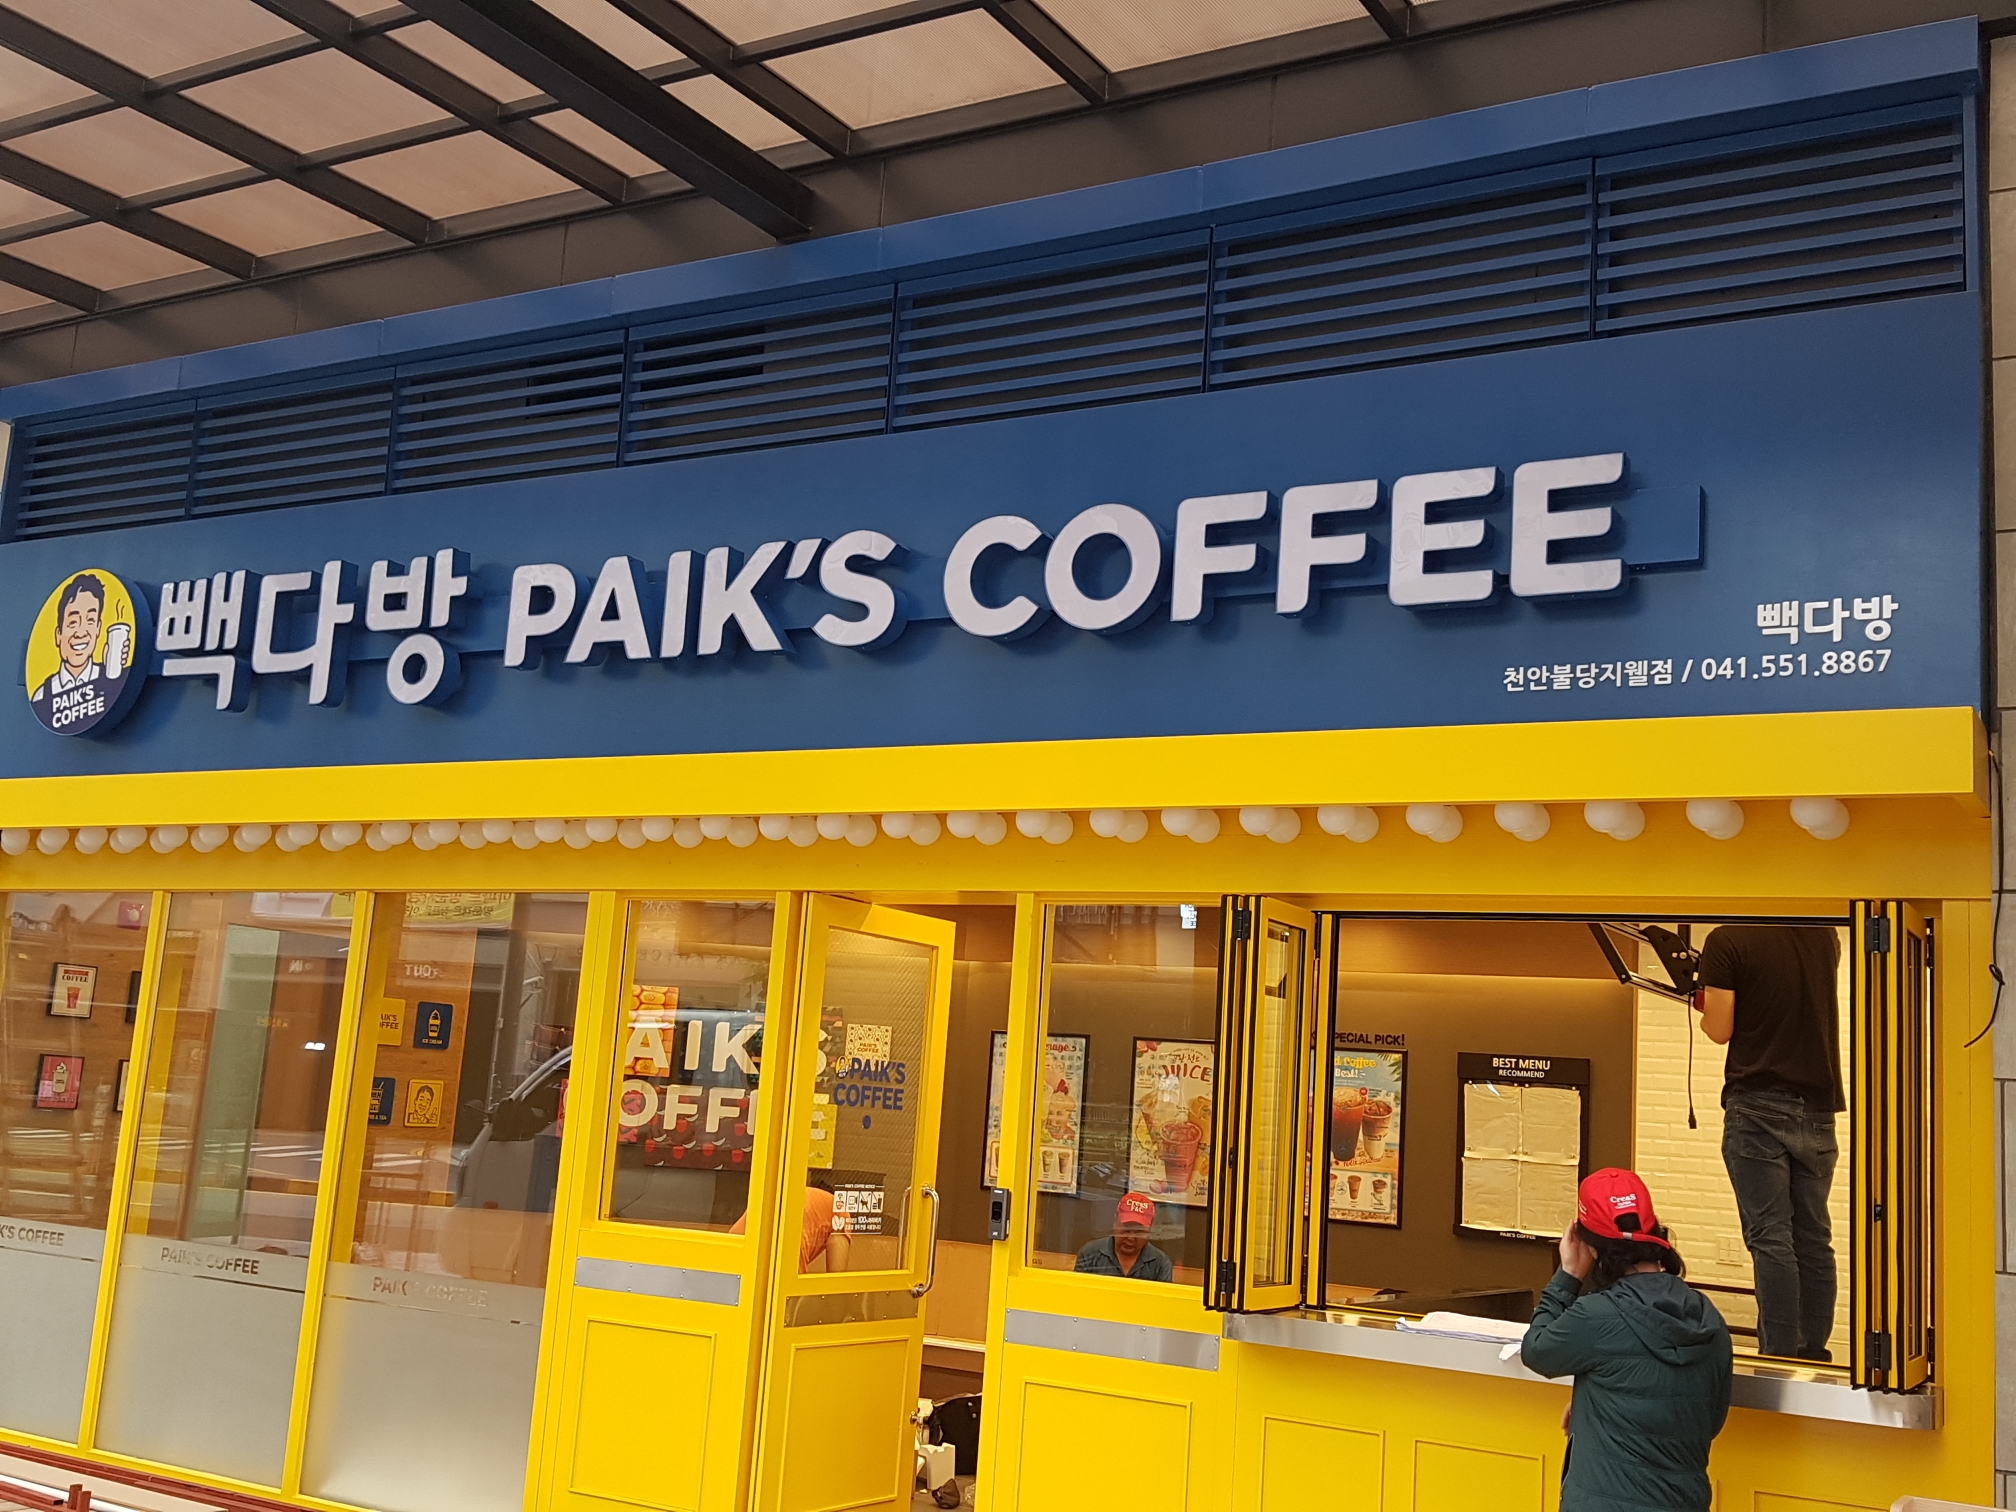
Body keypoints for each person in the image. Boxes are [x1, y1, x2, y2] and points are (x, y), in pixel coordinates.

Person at [1522, 1169, 1731, 1512]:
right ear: (1654, 1231)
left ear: (1589, 1246)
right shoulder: (1707, 1316)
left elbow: (1536, 1350)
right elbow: (1710, 1420)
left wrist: (1568, 1276)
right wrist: (1593, 1404)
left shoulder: (1596, 1316)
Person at [1694, 924, 1843, 1360]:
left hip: (1758, 1104)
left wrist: (1703, 1001)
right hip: (1818, 1108)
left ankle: (1779, 1356)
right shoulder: (1824, 935)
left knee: (1771, 1237)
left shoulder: (1728, 940)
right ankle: (1812, 1352)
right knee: (1814, 1237)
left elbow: (1719, 1028)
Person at [1074, 1192, 1171, 1281]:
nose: (1131, 1238)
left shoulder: (1161, 1264)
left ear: (1149, 1230)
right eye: (1126, 1229)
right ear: (1115, 1221)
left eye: (1139, 1231)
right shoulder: (1089, 1254)